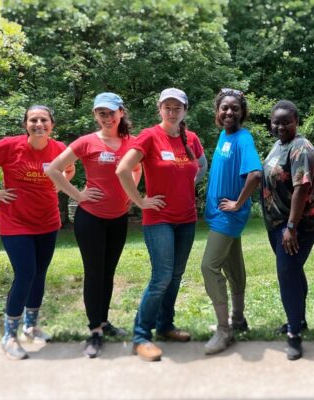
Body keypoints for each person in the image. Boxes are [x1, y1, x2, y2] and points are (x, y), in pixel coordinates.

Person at [0, 105, 74, 360]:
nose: (39, 124)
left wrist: (59, 185)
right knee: (25, 274)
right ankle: (9, 336)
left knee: (40, 274)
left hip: (47, 222)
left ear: (51, 124)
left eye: (43, 120)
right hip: (16, 223)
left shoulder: (59, 149)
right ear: (26, 124)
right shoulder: (9, 146)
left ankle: (31, 326)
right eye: (33, 120)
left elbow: (69, 170)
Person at [45, 93, 141, 358]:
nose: (107, 118)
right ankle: (94, 331)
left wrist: (131, 199)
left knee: (108, 272)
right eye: (101, 113)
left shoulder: (132, 143)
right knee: (95, 273)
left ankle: (105, 321)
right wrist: (78, 195)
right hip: (91, 219)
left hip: (119, 218)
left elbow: (136, 170)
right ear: (95, 116)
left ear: (121, 112)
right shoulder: (86, 142)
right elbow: (53, 169)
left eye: (111, 112)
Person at [116, 88, 208, 362]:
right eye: (167, 107)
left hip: (187, 218)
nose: (172, 111)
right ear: (159, 109)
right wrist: (139, 200)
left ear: (185, 110)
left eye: (177, 107)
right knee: (161, 278)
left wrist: (187, 184)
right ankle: (141, 336)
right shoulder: (149, 136)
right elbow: (122, 169)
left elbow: (201, 166)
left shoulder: (190, 138)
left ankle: (166, 326)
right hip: (159, 219)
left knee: (176, 275)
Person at [201, 88, 262, 355]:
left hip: (228, 216)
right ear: (217, 111)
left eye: (234, 108)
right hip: (218, 214)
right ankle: (238, 319)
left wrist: (237, 202)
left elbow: (255, 174)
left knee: (209, 267)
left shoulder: (242, 138)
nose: (229, 112)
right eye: (224, 108)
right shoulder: (223, 137)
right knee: (233, 266)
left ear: (242, 112)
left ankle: (224, 330)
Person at [261, 100, 314, 360]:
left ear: (296, 121)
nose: (280, 126)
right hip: (278, 225)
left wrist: (291, 227)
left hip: (297, 226)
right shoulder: (278, 145)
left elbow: (301, 188)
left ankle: (294, 334)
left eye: (286, 121)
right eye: (276, 121)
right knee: (293, 271)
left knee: (287, 275)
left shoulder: (301, 148)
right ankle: (300, 321)